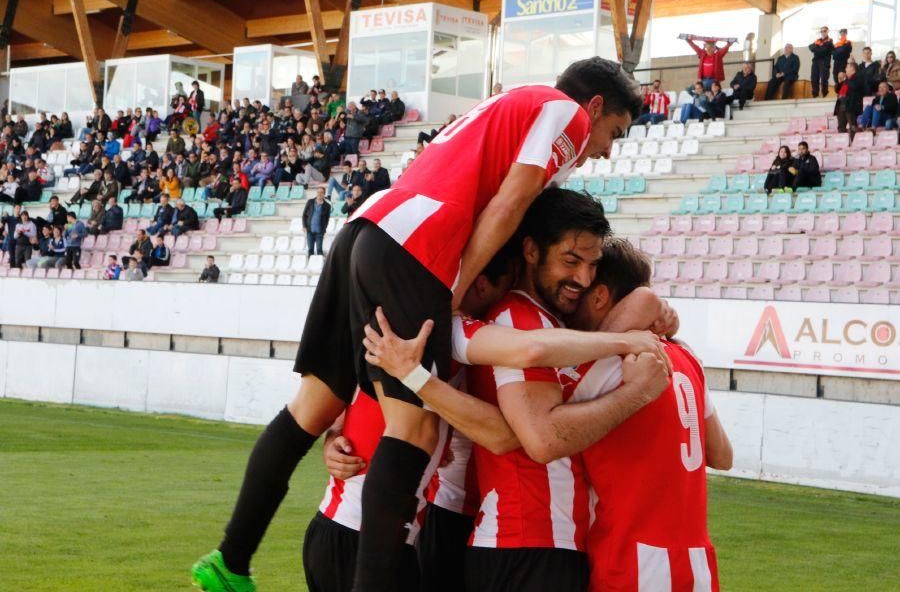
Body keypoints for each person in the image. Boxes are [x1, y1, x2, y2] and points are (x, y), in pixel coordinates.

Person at [190, 56, 642, 592]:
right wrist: (452, 292)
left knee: (312, 407)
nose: (608, 148)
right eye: (614, 131)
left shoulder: (508, 103)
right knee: (416, 429)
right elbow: (508, 204)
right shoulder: (564, 113)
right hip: (417, 246)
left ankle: (230, 561)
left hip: (368, 226)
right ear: (593, 107)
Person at [309, 234, 674, 592]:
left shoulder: (495, 328)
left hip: (461, 519)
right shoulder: (472, 326)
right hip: (453, 516)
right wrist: (340, 432)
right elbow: (522, 388)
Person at [557, 239, 733, 592]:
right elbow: (722, 456)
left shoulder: (606, 363)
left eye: (579, 296)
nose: (568, 310)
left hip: (631, 560)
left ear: (600, 296)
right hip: (696, 561)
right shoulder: (686, 357)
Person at [836, 62, 864, 137]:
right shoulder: (847, 80)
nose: (845, 69)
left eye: (847, 67)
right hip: (841, 104)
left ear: (852, 68)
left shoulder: (858, 77)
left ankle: (854, 142)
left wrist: (845, 80)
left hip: (851, 105)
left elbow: (854, 86)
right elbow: (837, 90)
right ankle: (842, 143)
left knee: (852, 126)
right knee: (841, 127)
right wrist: (839, 81)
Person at [302, 188, 331, 256]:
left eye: (321, 192)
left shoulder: (327, 206)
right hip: (310, 230)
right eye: (318, 192)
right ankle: (310, 265)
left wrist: (324, 229)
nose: (319, 194)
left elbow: (327, 219)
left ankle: (319, 265)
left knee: (319, 250)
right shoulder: (310, 202)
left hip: (320, 232)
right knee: (310, 250)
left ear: (324, 194)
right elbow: (304, 215)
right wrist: (304, 226)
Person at [809, 26, 834, 98]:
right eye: (821, 31)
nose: (823, 32)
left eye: (824, 31)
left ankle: (824, 94)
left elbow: (822, 51)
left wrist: (816, 48)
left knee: (823, 79)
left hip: (824, 62)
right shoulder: (818, 40)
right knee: (814, 79)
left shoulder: (830, 41)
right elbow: (810, 47)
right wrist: (818, 48)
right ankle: (815, 95)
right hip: (815, 62)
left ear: (827, 31)